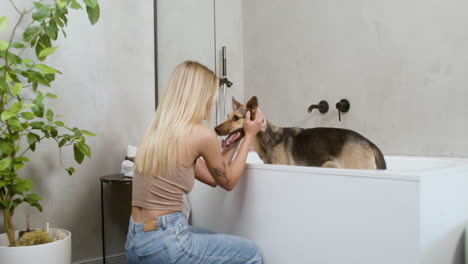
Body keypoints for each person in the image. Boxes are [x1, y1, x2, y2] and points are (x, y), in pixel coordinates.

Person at [125, 61, 265, 264]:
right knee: (251, 253)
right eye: (211, 96)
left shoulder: (156, 132)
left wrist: (237, 135)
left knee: (211, 235)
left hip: (136, 241)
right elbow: (229, 181)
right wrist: (250, 135)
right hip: (165, 242)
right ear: (201, 96)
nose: (212, 102)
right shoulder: (200, 134)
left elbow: (213, 176)